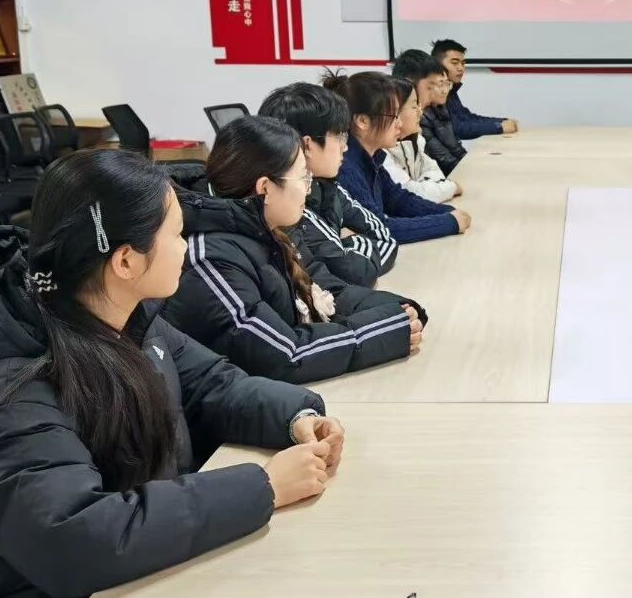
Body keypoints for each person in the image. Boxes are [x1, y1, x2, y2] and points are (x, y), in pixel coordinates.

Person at [0, 150, 343, 598]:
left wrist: (293, 417)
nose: (187, 247)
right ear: (125, 261)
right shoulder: (8, 391)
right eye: (176, 234)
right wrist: (262, 487)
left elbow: (209, 383)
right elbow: (76, 538)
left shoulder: (116, 313)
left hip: (112, 593)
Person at [165, 115, 423, 384]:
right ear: (265, 188)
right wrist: (385, 331)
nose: (307, 190)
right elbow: (285, 355)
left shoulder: (272, 227)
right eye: (303, 177)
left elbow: (328, 290)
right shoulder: (211, 258)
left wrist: (397, 310)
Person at [258, 82, 398, 289]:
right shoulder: (289, 207)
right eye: (339, 136)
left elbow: (384, 237)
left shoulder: (327, 185)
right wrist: (352, 245)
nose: (345, 146)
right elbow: (355, 275)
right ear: (307, 145)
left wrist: (347, 247)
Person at [326, 71, 471, 243]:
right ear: (362, 121)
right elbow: (378, 229)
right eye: (393, 116)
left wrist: (449, 212)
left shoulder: (372, 157)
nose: (399, 124)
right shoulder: (345, 167)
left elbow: (398, 200)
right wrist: (448, 222)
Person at [384, 77, 461, 204]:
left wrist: (425, 187)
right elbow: (411, 193)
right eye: (414, 106)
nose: (420, 112)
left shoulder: (414, 140)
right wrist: (451, 187)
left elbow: (433, 171)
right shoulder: (381, 152)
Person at [393, 48, 467, 175]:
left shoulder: (430, 115)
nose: (435, 93)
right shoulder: (395, 134)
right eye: (429, 87)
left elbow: (430, 170)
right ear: (408, 84)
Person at [432, 39, 518, 138]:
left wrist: (502, 121)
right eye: (455, 63)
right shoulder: (434, 93)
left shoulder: (450, 90)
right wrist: (499, 127)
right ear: (438, 65)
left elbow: (468, 118)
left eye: (463, 63)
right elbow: (457, 129)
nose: (461, 68)